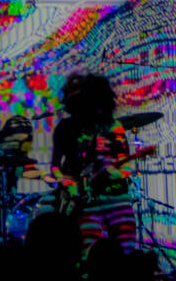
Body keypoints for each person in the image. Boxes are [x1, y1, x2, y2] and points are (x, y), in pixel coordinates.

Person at [50, 73, 135, 256]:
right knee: (86, 252)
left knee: (126, 250)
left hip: (116, 198)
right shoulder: (65, 128)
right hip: (84, 201)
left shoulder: (113, 127)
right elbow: (55, 167)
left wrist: (112, 174)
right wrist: (68, 184)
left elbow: (126, 167)